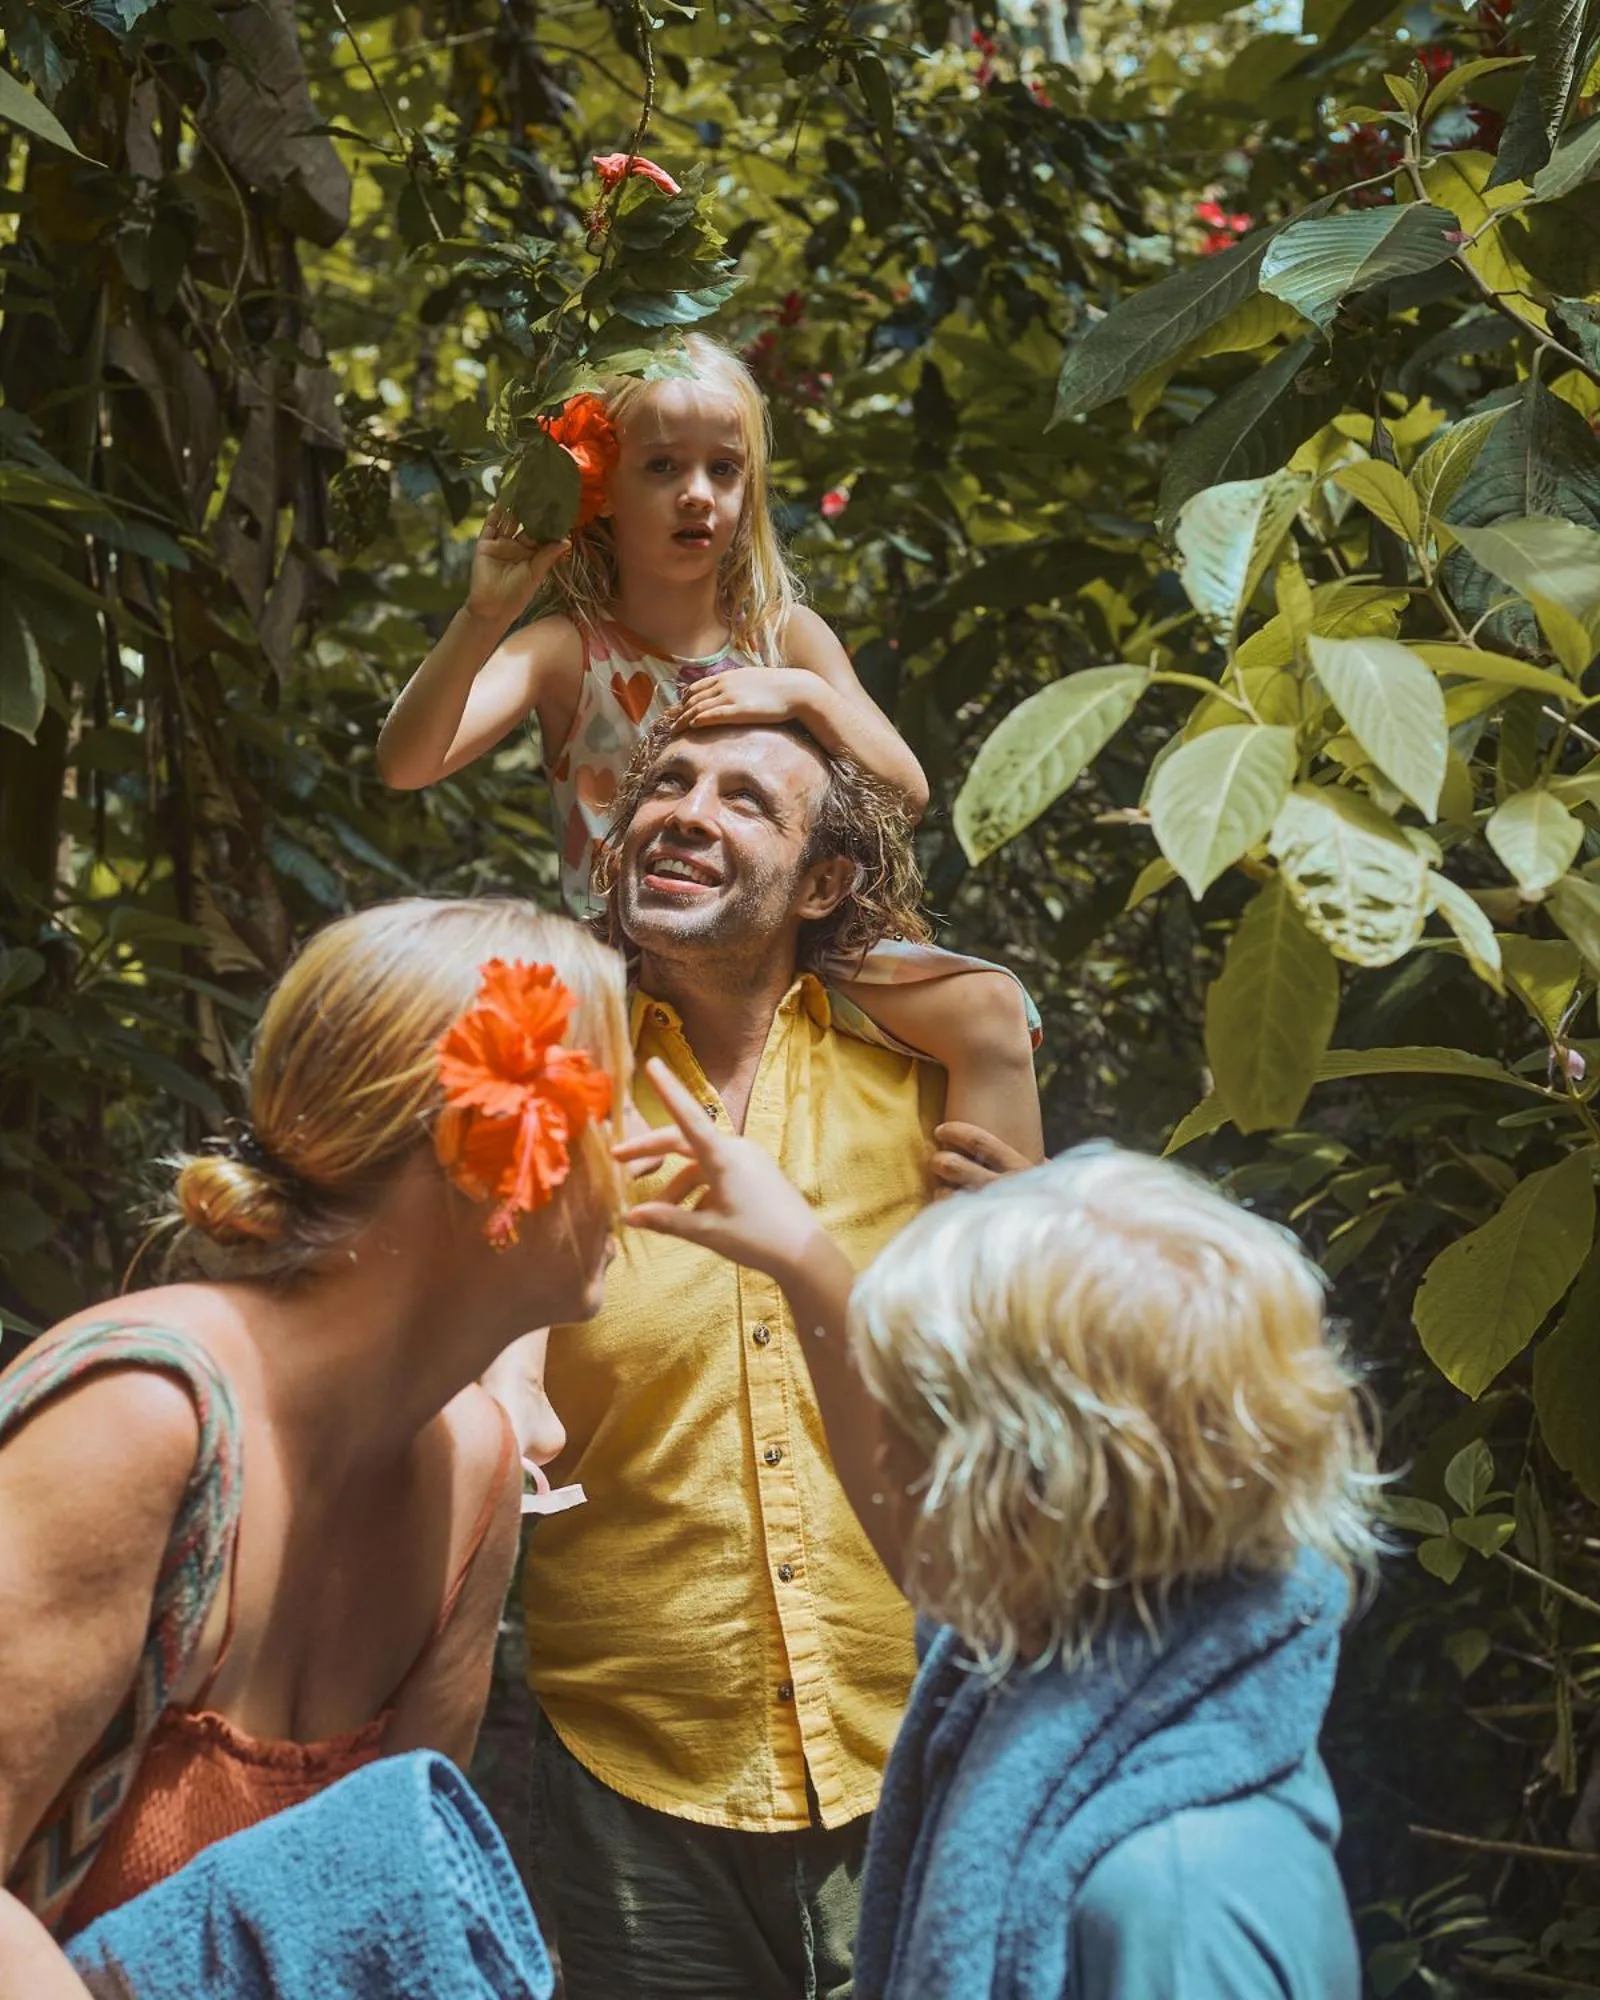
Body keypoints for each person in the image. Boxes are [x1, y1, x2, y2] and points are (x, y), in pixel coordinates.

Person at [0, 898, 627, 2000]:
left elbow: (371, 1921)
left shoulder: (475, 1473)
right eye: (609, 1108)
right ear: (486, 1147)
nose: (644, 1156)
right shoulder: (146, 1414)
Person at [509, 714, 1031, 1999]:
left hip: (908, 1738)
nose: (687, 809)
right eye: (669, 784)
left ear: (825, 882)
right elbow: (486, 1362)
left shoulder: (927, 1075)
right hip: (631, 1752)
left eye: (747, 799)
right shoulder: (554, 1074)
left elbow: (1003, 1388)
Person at [628, 1118, 1376, 2000]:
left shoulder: (1172, 1904)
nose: (880, 1468)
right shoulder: (1090, 1652)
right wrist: (799, 1256)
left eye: (911, 1429)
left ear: (1029, 1492)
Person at [375, 330, 1042, 1165]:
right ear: (602, 491)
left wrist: (802, 694)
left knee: (990, 1010)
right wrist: (482, 618)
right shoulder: (566, 648)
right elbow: (405, 764)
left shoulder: (785, 636)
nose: (698, 495)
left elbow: (903, 790)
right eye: (662, 468)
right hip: (623, 947)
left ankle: (1007, 1254)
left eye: (722, 470)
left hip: (775, 937)